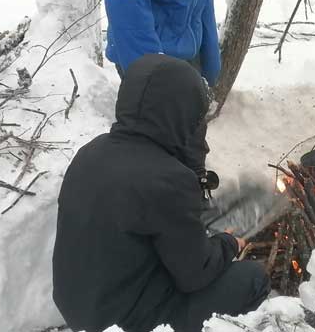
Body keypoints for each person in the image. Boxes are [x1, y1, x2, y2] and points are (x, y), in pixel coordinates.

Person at [52, 54, 270, 332]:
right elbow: (196, 274)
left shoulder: (91, 152)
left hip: (80, 308)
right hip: (125, 322)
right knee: (252, 278)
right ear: (181, 110)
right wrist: (229, 243)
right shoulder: (167, 179)